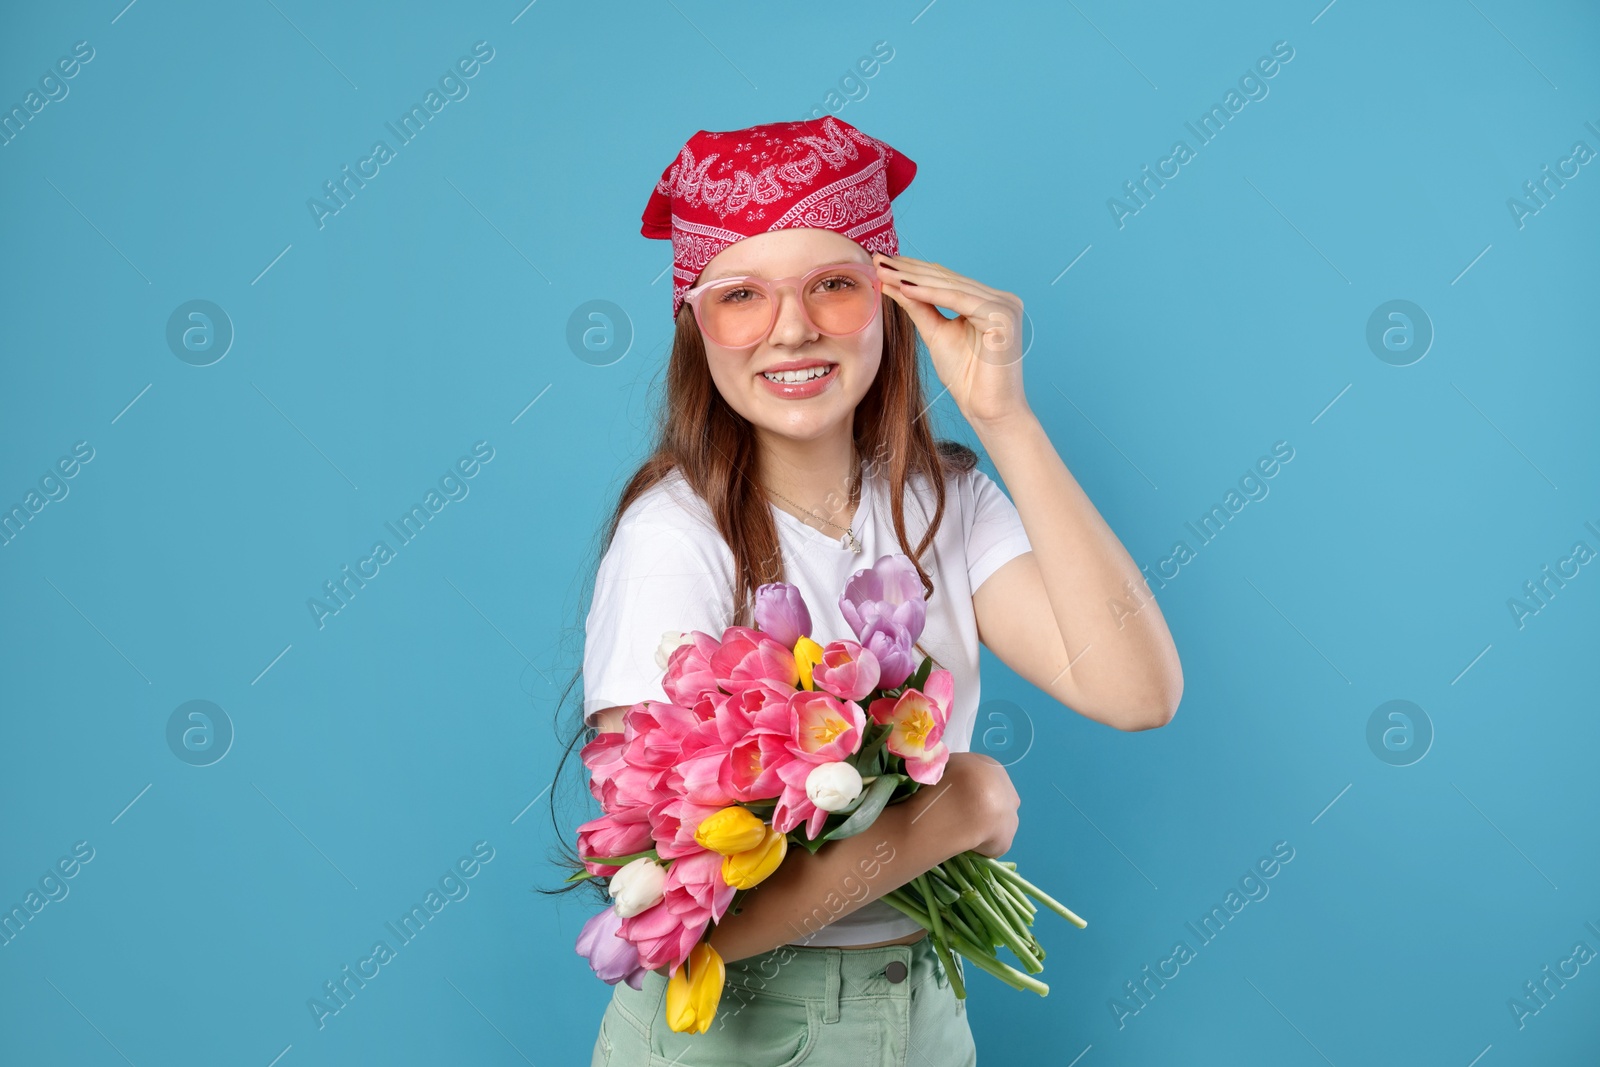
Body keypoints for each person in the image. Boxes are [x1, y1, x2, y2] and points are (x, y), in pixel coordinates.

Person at [559, 116, 1183, 1065]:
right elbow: (678, 924)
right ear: (696, 325)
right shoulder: (674, 541)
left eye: (834, 285)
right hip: (737, 1033)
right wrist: (951, 810)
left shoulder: (949, 503)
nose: (793, 328)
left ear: (888, 299)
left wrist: (1004, 417)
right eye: (741, 297)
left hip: (923, 1009)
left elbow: (1139, 693)